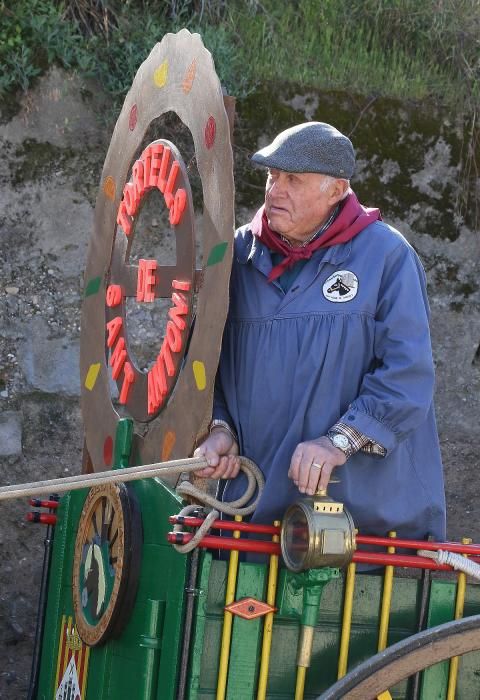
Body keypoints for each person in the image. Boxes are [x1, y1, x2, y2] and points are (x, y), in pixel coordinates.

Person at [194, 121, 446, 542]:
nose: (275, 190)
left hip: (363, 528)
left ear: (337, 190)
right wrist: (220, 429)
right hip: (251, 520)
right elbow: (205, 365)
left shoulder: (386, 257)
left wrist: (336, 444)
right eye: (272, 176)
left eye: (293, 178)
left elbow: (407, 376)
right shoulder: (236, 255)